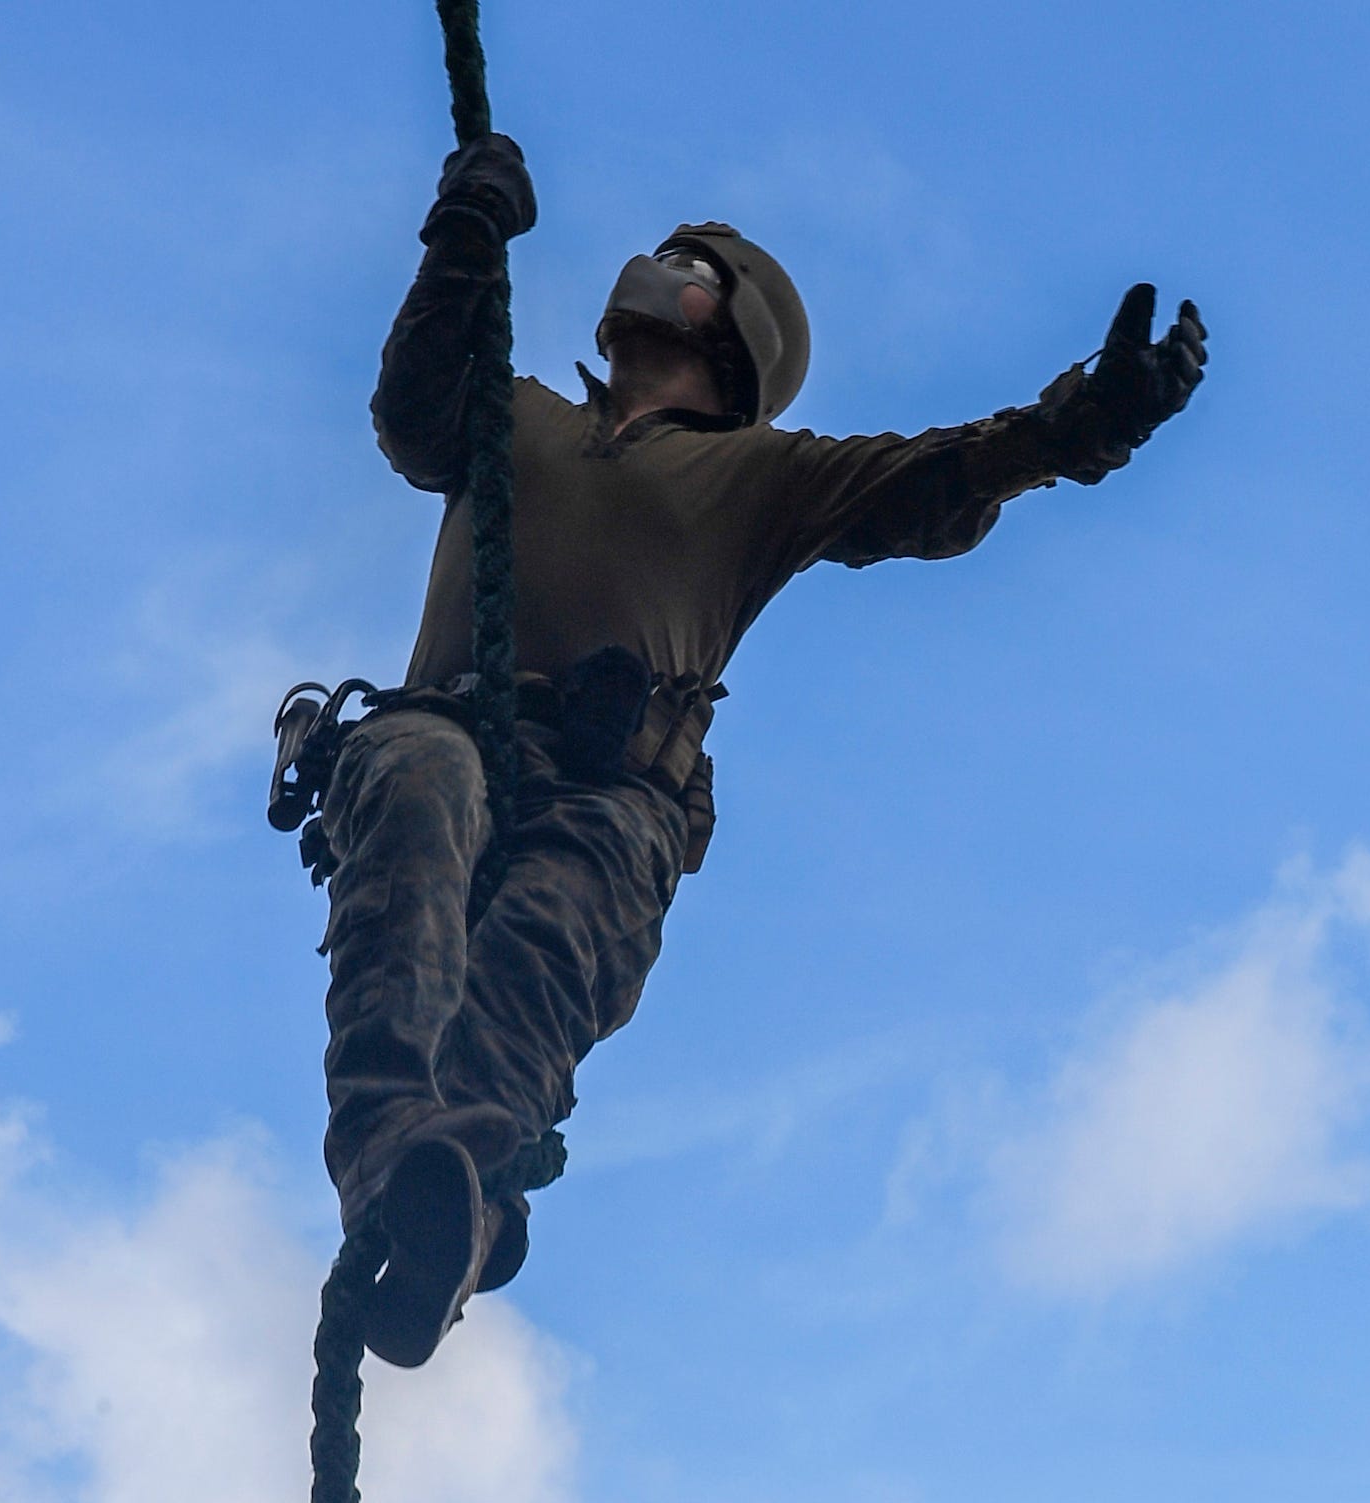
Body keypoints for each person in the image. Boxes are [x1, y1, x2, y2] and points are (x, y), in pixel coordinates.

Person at [318, 132, 1208, 1367]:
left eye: (682, 264)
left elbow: (942, 475)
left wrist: (1088, 418)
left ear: (717, 322)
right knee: (420, 798)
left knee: (541, 949)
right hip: (446, 729)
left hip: (613, 791)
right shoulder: (507, 412)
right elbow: (413, 414)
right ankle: (390, 1153)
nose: (648, 271)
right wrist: (459, 240)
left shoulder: (762, 476)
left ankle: (450, 1214)